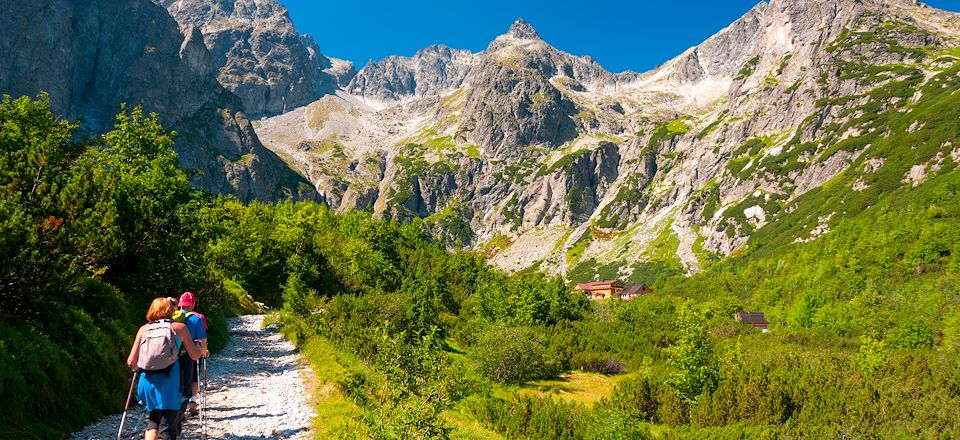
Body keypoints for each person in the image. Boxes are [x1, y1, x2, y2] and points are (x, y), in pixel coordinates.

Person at [127, 297, 201, 440]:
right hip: (170, 382)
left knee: (153, 420)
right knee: (168, 425)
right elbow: (193, 356)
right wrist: (198, 348)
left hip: (147, 381)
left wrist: (147, 367)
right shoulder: (180, 328)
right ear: (171, 310)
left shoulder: (144, 329)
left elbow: (131, 361)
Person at [176, 291, 208, 415]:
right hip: (191, 352)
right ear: (193, 303)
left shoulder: (171, 316)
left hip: (171, 353)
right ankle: (193, 401)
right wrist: (204, 352)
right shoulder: (197, 318)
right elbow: (202, 339)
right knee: (194, 376)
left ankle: (174, 406)